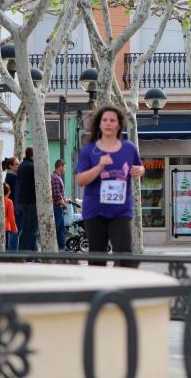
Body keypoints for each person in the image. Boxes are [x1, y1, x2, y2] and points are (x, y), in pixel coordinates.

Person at [76, 106, 145, 266]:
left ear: (118, 125)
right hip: (95, 212)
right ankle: (98, 290)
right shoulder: (89, 151)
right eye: (104, 120)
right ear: (99, 125)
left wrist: (139, 170)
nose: (108, 123)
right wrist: (99, 167)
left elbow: (140, 166)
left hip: (120, 211)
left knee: (125, 257)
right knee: (97, 259)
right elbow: (80, 180)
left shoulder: (129, 148)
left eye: (112, 120)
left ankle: (119, 288)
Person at [16, 147, 38, 251]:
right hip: (32, 201)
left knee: (25, 227)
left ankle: (22, 250)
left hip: (23, 200)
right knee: (32, 228)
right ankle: (31, 253)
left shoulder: (20, 166)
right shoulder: (33, 166)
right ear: (33, 155)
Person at [4, 156, 20, 250]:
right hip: (13, 206)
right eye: (17, 164)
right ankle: (12, 251)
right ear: (11, 166)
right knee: (14, 231)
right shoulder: (13, 177)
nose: (19, 166)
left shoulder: (10, 176)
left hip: (12, 205)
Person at [51, 159, 67, 251]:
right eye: (64, 166)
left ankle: (62, 248)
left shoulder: (56, 177)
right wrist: (64, 204)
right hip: (57, 207)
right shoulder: (56, 178)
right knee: (57, 229)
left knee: (61, 230)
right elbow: (57, 195)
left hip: (58, 207)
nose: (65, 169)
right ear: (60, 166)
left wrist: (65, 200)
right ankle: (59, 248)